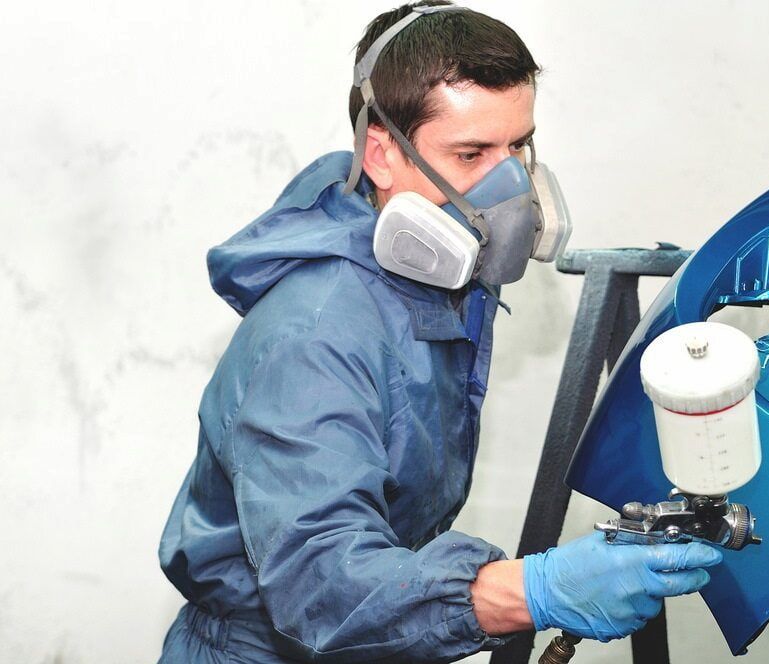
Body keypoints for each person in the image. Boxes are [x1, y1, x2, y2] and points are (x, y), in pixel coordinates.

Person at [157, 2, 722, 662]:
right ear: (382, 155)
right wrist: (535, 591)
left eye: (519, 148)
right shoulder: (312, 338)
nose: (510, 188)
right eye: (470, 153)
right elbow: (322, 582)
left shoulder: (436, 285)